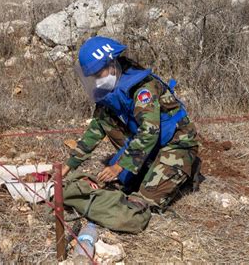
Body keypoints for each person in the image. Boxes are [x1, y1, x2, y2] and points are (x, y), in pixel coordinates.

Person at [61, 36, 200, 210]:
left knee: (143, 202)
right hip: (151, 142)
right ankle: (151, 165)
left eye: (98, 75)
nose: (97, 81)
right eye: (92, 77)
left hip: (176, 142)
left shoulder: (143, 89)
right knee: (121, 185)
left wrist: (119, 166)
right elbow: (96, 128)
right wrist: (67, 168)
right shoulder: (110, 90)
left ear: (112, 64)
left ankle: (186, 167)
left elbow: (149, 132)